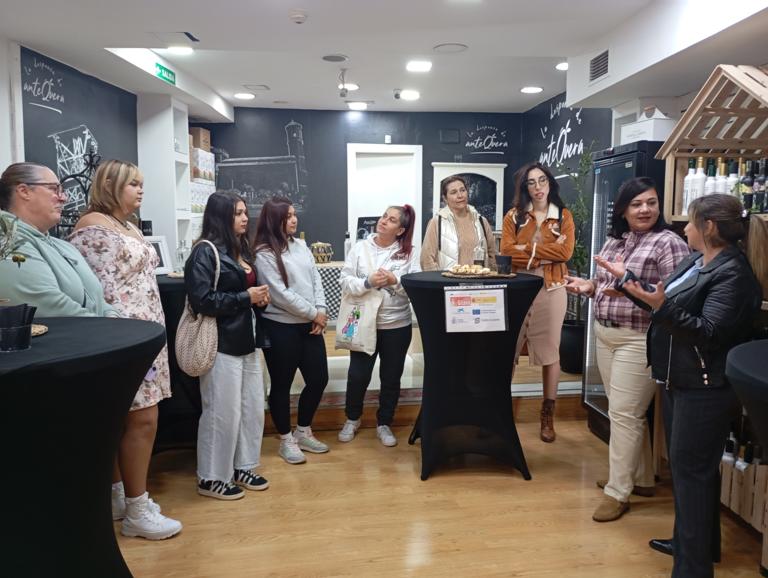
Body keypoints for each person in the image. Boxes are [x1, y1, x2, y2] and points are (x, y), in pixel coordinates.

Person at [617, 194, 766, 578]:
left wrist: (661, 307)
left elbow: (709, 333)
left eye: (690, 222)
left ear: (709, 227)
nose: (684, 229)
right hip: (679, 379)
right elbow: (663, 299)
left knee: (692, 475)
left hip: (706, 389)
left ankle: (692, 568)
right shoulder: (697, 260)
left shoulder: (733, 275)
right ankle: (696, 544)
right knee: (695, 473)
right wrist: (629, 283)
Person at [563, 177, 689, 523]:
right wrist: (588, 286)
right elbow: (605, 285)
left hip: (640, 339)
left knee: (624, 414)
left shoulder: (669, 242)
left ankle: (618, 492)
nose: (645, 209)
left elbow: (677, 295)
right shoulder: (615, 241)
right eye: (636, 204)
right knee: (626, 411)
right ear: (622, 210)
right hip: (605, 334)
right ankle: (642, 478)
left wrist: (630, 285)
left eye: (651, 202)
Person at [69, 160, 182, 539]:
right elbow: (96, 290)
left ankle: (121, 496)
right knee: (141, 419)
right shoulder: (92, 227)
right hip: (124, 335)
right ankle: (137, 509)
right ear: (110, 185)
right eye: (133, 183)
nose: (140, 190)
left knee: (130, 418)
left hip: (146, 333)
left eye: (141, 183)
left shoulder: (128, 225)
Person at [185, 192, 271, 500]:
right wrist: (246, 297)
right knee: (221, 412)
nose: (245, 218)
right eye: (237, 213)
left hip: (247, 339)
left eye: (245, 212)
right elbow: (202, 300)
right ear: (220, 216)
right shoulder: (204, 252)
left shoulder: (240, 248)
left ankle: (242, 466)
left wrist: (258, 298)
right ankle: (211, 477)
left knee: (250, 408)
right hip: (220, 341)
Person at [500, 162, 574, 443]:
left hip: (552, 289)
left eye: (542, 180)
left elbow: (565, 253)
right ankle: (500, 410)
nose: (538, 187)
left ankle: (547, 414)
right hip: (518, 289)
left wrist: (527, 250)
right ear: (524, 187)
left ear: (550, 182)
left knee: (550, 352)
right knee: (508, 350)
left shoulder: (563, 216)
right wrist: (545, 253)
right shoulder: (514, 216)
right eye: (531, 182)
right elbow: (506, 251)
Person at [253, 196, 330, 465]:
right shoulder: (263, 253)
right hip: (280, 327)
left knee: (319, 378)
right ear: (274, 220)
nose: (294, 220)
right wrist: (314, 314)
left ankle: (303, 431)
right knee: (281, 385)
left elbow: (316, 279)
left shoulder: (300, 245)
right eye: (287, 216)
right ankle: (286, 439)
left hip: (309, 325)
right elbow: (279, 294)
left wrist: (320, 309)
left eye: (294, 214)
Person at [337, 205, 420, 447]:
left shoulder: (409, 253)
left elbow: (415, 286)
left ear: (400, 230)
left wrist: (395, 281)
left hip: (397, 325)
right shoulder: (360, 248)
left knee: (391, 377)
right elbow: (344, 281)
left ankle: (384, 423)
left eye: (392, 220)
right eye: (384, 216)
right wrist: (367, 282)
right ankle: (352, 418)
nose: (383, 221)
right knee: (358, 375)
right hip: (363, 323)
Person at [0, 162, 115, 317]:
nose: (64, 198)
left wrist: (113, 317)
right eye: (54, 189)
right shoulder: (7, 242)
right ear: (24, 191)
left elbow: (100, 302)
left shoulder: (64, 247)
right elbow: (49, 307)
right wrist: (113, 327)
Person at [420, 174, 497, 271]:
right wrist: (438, 279)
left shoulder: (481, 221)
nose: (460, 195)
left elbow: (493, 256)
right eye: (453, 192)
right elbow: (426, 260)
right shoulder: (436, 222)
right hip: (447, 280)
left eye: (462, 190)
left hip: (479, 279)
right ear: (445, 198)